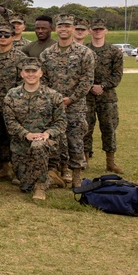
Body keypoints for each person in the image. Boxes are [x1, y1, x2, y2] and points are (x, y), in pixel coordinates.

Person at [38, 14, 94, 187]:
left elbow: (87, 80)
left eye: (67, 26)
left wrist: (71, 99)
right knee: (56, 138)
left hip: (75, 106)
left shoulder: (84, 52)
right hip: (53, 105)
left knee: (75, 139)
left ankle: (77, 176)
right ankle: (61, 171)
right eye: (60, 26)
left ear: (73, 28)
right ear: (56, 28)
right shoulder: (47, 53)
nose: (64, 29)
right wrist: (54, 99)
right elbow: (43, 78)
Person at [2, 59, 67, 200]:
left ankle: (40, 187)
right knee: (25, 187)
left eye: (34, 71)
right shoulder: (12, 95)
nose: (31, 74)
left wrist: (47, 134)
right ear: (22, 74)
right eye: (27, 71)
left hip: (46, 143)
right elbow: (10, 121)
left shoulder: (53, 95)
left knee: (38, 145)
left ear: (41, 73)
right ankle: (51, 178)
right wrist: (27, 134)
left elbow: (61, 122)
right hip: (21, 145)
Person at [85, 18, 125, 174]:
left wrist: (102, 86)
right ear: (90, 31)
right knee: (85, 128)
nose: (97, 32)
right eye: (95, 29)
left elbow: (117, 75)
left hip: (107, 97)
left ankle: (110, 162)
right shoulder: (84, 50)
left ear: (106, 31)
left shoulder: (114, 51)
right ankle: (85, 160)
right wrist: (90, 86)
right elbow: (80, 74)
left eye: (100, 29)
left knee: (109, 128)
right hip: (87, 96)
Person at [0, 23, 26, 182]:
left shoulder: (20, 57)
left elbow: (24, 83)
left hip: (14, 107)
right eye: (0, 35)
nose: (2, 38)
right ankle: (4, 168)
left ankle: (19, 172)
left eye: (6, 35)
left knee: (15, 139)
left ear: (13, 36)